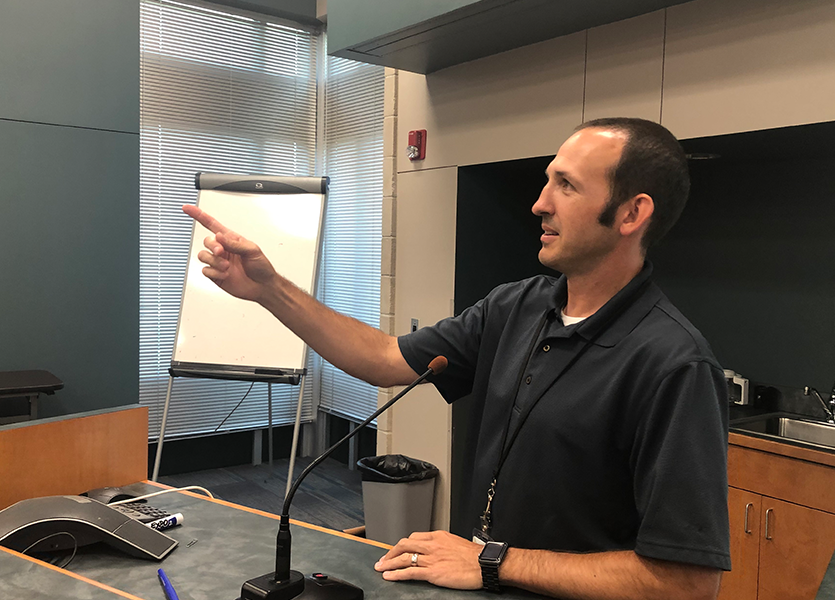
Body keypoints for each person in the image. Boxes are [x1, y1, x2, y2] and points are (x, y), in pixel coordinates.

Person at [182, 117, 730, 600]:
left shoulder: (673, 365)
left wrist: (494, 561)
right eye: (547, 181)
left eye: (566, 185)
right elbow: (383, 357)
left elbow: (685, 581)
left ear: (632, 213)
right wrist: (270, 289)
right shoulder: (515, 307)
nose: (540, 202)